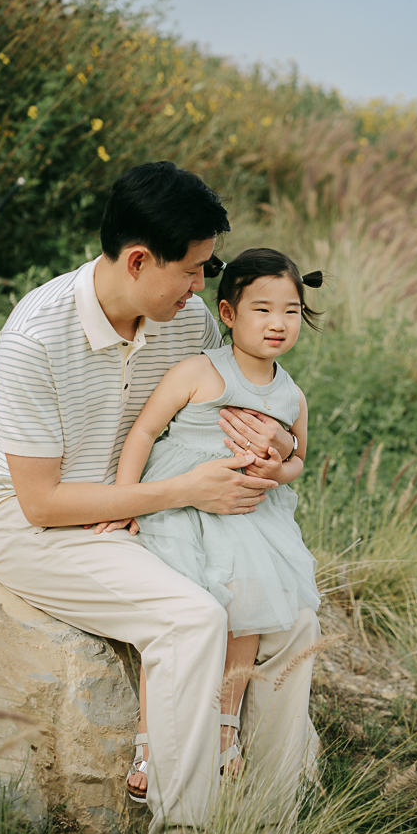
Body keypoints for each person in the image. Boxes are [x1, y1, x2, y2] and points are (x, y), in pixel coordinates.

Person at [0, 162, 321, 834]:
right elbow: (41, 502)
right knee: (192, 618)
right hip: (45, 528)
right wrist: (185, 492)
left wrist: (273, 443)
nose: (203, 286)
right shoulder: (36, 336)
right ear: (139, 260)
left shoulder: (185, 322)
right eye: (194, 270)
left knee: (295, 619)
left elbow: (238, 404)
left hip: (146, 514)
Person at [94, 249, 322, 796]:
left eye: (290, 311)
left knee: (247, 608)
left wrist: (278, 463)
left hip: (248, 517)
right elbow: (146, 432)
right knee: (184, 619)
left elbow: (298, 461)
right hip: (181, 513)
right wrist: (126, 500)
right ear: (227, 313)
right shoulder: (200, 371)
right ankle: (150, 747)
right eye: (262, 309)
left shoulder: (291, 394)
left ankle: (224, 733)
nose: (276, 323)